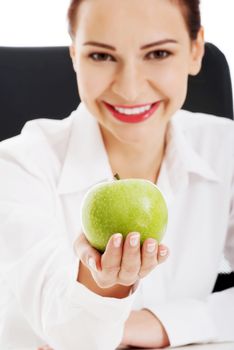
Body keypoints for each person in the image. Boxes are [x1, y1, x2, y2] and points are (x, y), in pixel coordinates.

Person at [0, 0, 234, 349]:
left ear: (195, 50)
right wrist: (102, 288)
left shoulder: (225, 147)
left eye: (157, 54)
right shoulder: (18, 163)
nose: (130, 88)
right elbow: (60, 329)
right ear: (75, 54)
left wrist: (158, 324)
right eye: (102, 56)